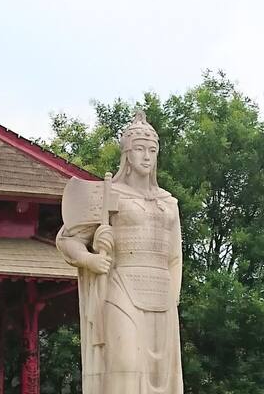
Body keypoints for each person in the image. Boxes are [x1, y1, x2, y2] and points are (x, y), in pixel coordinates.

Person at [58, 110, 184, 394]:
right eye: (139, 149)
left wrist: (172, 299)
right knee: (125, 366)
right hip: (121, 287)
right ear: (127, 154)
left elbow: (175, 257)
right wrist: (91, 259)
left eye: (152, 150)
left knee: (163, 375)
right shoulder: (108, 194)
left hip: (162, 295)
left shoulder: (169, 203)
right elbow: (67, 240)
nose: (146, 157)